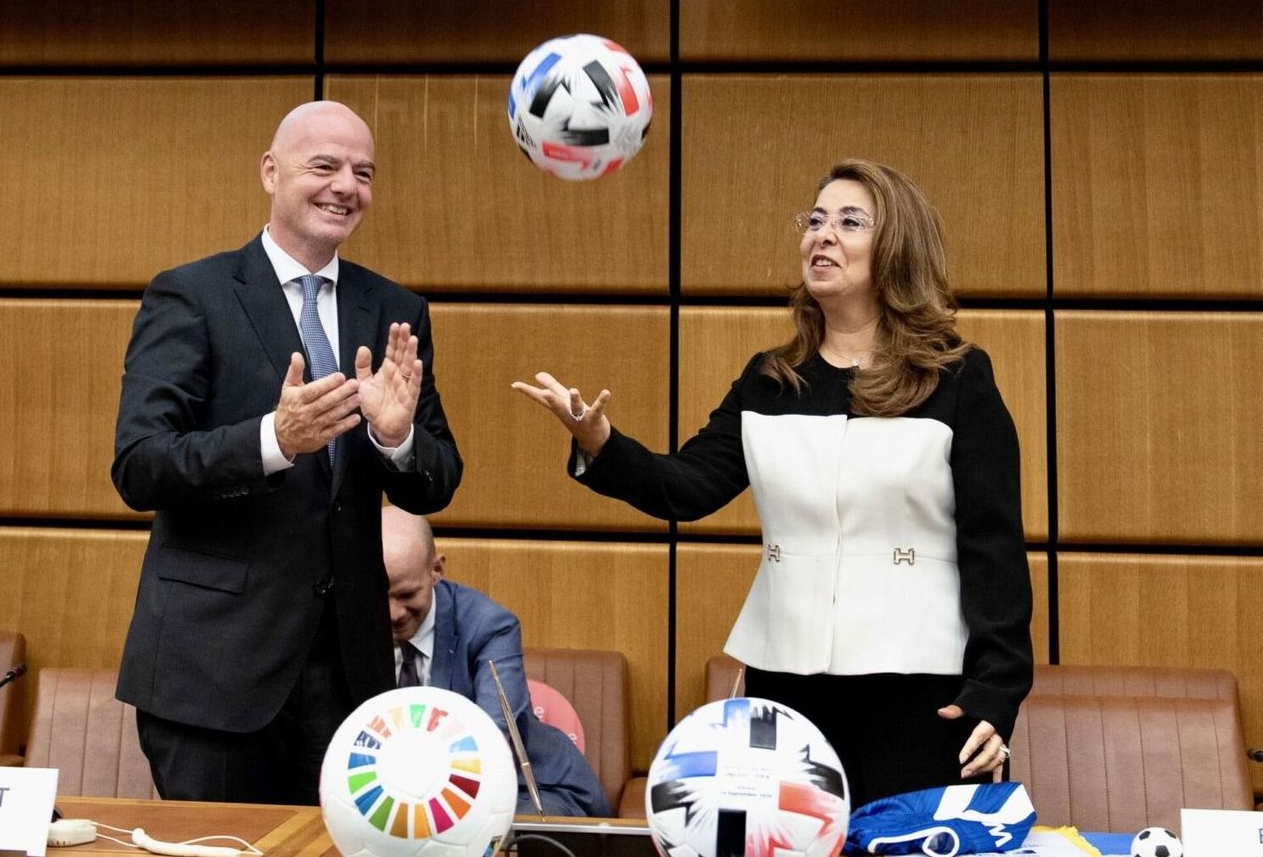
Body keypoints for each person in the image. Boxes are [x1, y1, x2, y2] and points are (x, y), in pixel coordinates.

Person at [513, 159, 1032, 807]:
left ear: (897, 246)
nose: (823, 235)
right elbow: (688, 487)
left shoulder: (956, 378)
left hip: (924, 689)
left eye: (850, 222)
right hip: (788, 684)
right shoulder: (770, 380)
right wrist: (600, 443)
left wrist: (997, 690)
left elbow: (994, 547)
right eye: (815, 221)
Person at [112, 100, 463, 805]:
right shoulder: (192, 294)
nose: (346, 187)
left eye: (364, 173)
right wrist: (273, 440)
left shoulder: (394, 309)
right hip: (214, 672)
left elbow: (438, 480)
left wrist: (395, 438)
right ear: (271, 172)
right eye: (324, 166)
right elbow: (141, 464)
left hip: (348, 677)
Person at [381, 506, 612, 817]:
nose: (394, 613)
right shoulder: (347, 623)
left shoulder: (489, 625)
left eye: (408, 595)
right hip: (404, 793)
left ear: (436, 570)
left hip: (528, 788)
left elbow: (491, 738)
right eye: (379, 594)